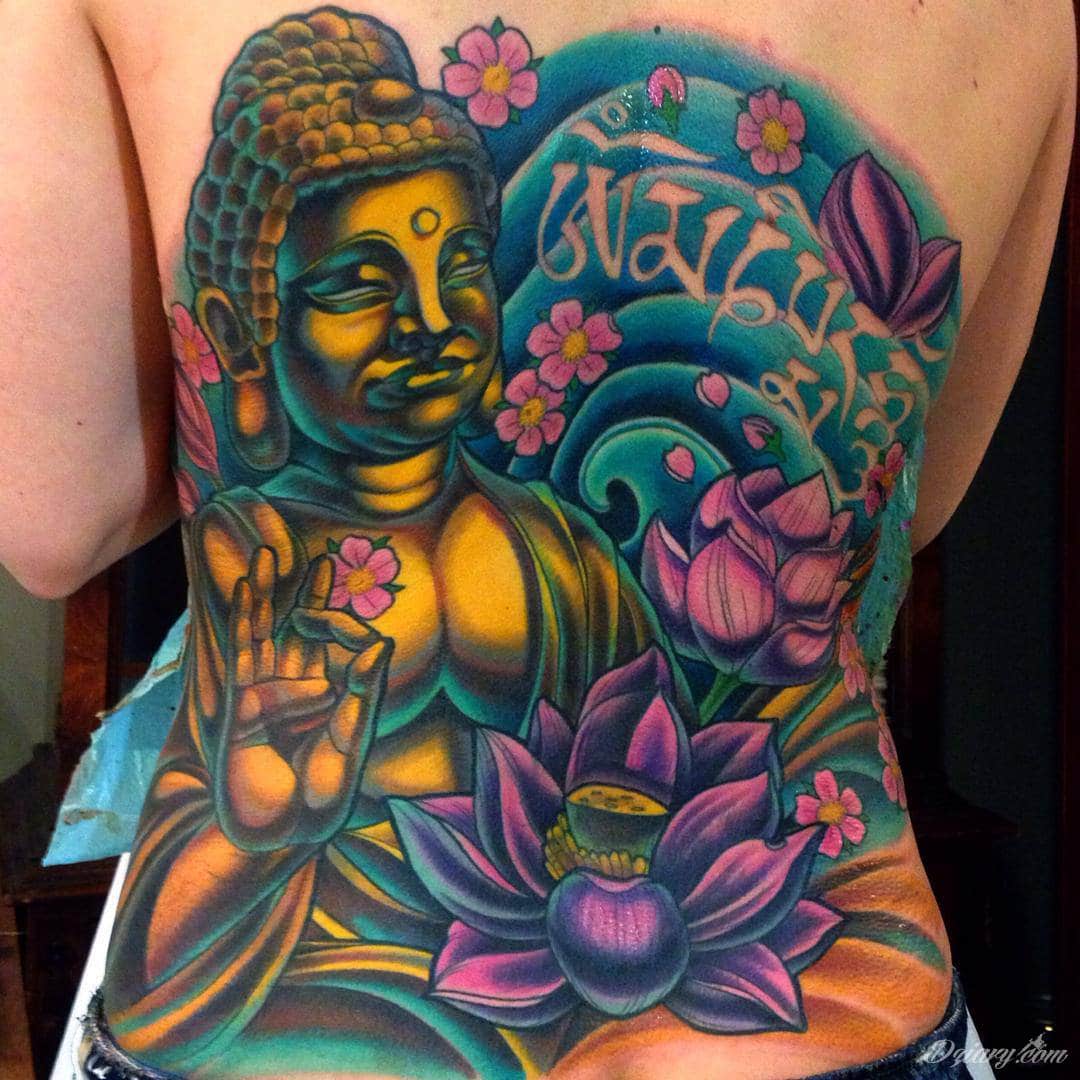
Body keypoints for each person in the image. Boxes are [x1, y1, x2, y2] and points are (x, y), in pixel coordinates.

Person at [0, 2, 1074, 1078]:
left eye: (462, 263)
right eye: (359, 283)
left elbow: (57, 521)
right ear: (248, 316)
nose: (431, 321)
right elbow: (907, 501)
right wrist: (268, 823)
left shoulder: (558, 556)